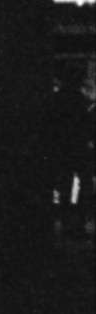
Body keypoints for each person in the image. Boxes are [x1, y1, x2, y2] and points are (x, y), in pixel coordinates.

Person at [49, 65, 94, 239]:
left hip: (63, 148)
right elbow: (87, 125)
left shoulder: (57, 99)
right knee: (85, 184)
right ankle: (79, 222)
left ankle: (67, 222)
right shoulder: (80, 100)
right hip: (79, 148)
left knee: (65, 185)